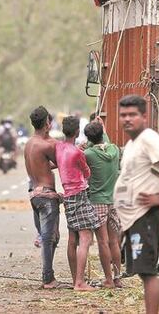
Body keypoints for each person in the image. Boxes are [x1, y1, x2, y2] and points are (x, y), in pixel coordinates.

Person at [113, 95, 159, 314]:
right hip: (133, 218)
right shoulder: (131, 143)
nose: (127, 119)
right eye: (123, 115)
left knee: (148, 273)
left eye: (132, 115)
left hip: (146, 215)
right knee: (141, 272)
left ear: (144, 116)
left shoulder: (149, 138)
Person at [57, 116, 104, 291]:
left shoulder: (59, 147)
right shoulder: (78, 153)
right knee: (85, 238)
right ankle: (79, 283)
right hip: (79, 194)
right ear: (77, 131)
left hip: (68, 196)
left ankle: (75, 279)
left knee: (72, 238)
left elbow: (62, 161)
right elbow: (87, 172)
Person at [24, 105, 63, 289]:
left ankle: (49, 275)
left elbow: (43, 165)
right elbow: (63, 162)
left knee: (51, 237)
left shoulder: (30, 143)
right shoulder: (48, 144)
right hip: (47, 195)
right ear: (47, 123)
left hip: (34, 194)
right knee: (49, 238)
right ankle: (48, 278)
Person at [83, 121, 123, 288]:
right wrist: (103, 129)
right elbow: (103, 140)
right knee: (114, 242)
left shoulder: (88, 154)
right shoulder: (114, 150)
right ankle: (117, 278)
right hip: (112, 201)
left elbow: (93, 145)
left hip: (97, 201)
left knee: (102, 242)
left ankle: (108, 279)